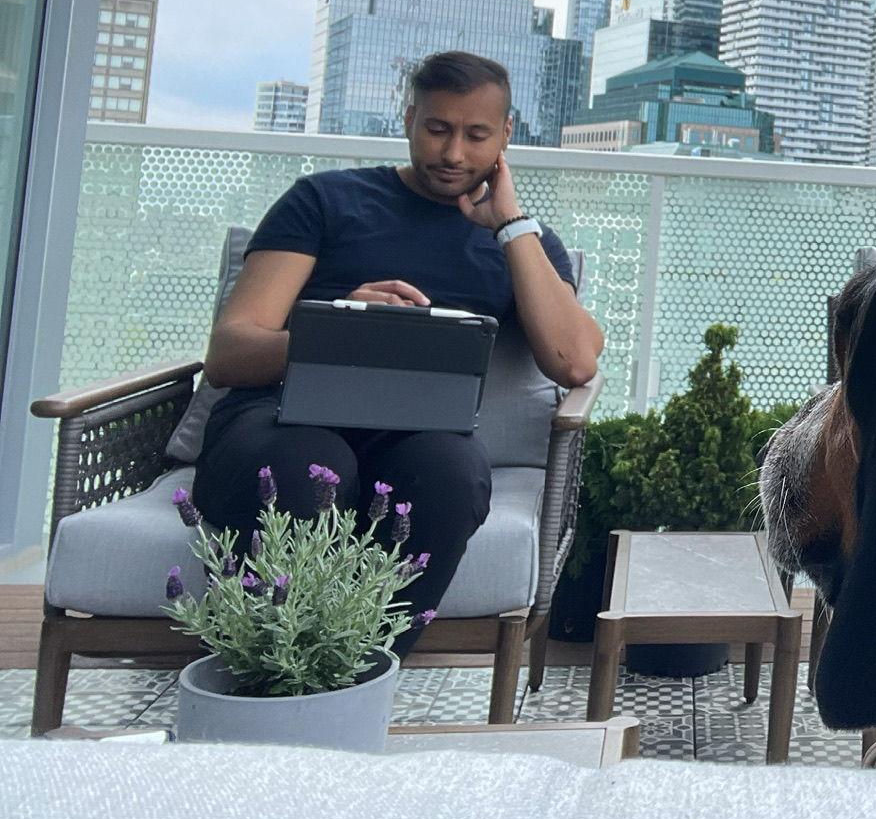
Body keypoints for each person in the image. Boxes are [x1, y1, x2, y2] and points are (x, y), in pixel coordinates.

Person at [195, 50, 604, 652]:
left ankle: (359, 669)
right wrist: (343, 327)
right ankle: (278, 666)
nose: (453, 153)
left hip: (418, 435)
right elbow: (229, 353)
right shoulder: (325, 201)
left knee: (453, 474)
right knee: (310, 467)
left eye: (476, 135)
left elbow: (574, 362)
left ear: (506, 135)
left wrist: (511, 225)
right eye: (437, 129)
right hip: (280, 417)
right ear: (410, 118)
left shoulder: (522, 244)